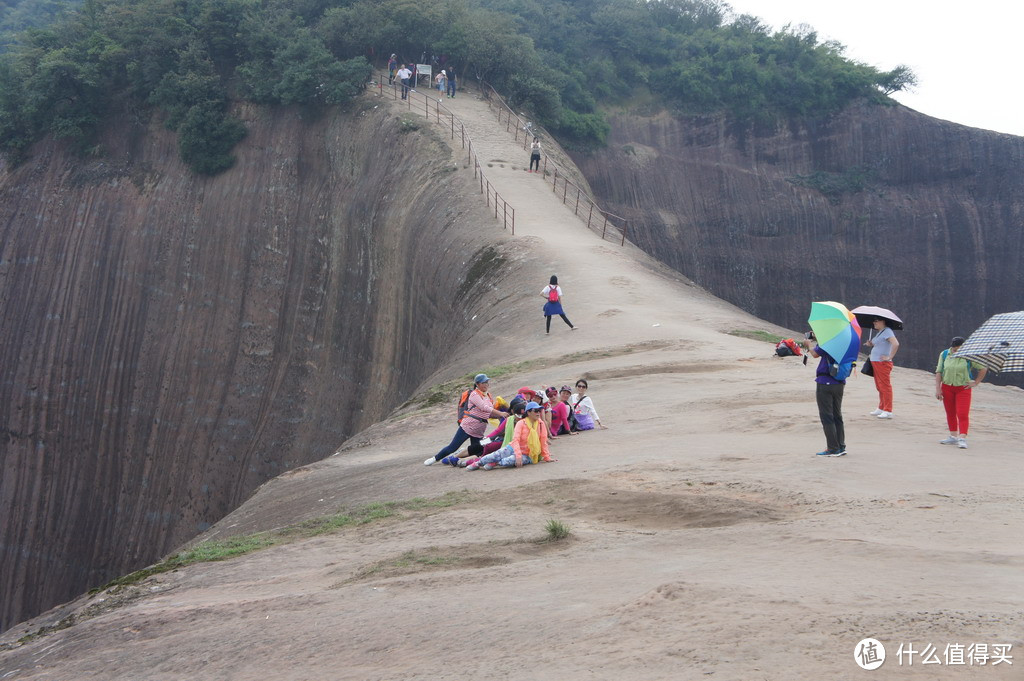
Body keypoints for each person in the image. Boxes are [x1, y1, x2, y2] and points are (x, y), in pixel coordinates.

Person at [425, 374, 507, 465]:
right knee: (453, 447)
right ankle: (435, 458)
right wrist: (500, 413)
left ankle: (455, 459)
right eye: (483, 383)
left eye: (487, 382)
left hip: (479, 429)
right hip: (468, 426)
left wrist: (500, 416)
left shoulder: (488, 396)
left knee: (476, 449)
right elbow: (483, 407)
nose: (486, 385)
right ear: (477, 384)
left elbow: (488, 413)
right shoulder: (474, 394)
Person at [935, 336, 987, 449]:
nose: (956, 350)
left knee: (962, 413)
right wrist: (938, 389)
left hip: (963, 388)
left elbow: (983, 368)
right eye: (954, 348)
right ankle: (953, 437)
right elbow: (939, 371)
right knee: (950, 412)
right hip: (947, 387)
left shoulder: (969, 355)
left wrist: (976, 382)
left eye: (958, 349)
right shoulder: (944, 354)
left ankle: (962, 437)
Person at [470, 402, 554, 470]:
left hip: (529, 453)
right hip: (512, 447)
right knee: (493, 454)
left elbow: (543, 441)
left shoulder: (540, 423)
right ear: (528, 412)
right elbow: (512, 438)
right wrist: (486, 438)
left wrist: (546, 457)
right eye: (536, 411)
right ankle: (477, 463)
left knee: (508, 461)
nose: (538, 413)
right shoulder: (520, 422)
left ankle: (496, 463)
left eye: (539, 410)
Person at [804, 336, 847, 456]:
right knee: (837, 415)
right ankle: (841, 446)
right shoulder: (846, 341)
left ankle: (833, 448)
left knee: (827, 416)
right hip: (839, 382)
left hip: (826, 381)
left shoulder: (829, 340)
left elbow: (815, 354)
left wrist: (809, 344)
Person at [865, 317, 899, 419]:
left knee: (885, 386)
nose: (874, 323)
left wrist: (889, 357)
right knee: (879, 386)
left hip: (882, 363)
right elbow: (880, 345)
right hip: (875, 362)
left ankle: (888, 410)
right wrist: (870, 344)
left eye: (876, 321)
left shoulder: (887, 331)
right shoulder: (880, 332)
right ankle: (881, 407)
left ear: (882, 321)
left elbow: (896, 343)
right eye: (874, 321)